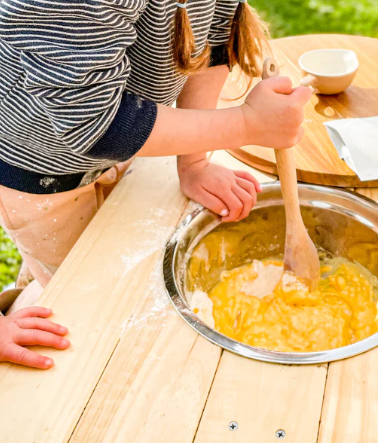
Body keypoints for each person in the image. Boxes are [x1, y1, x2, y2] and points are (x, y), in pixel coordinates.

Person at [0, 0, 311, 369]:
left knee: (87, 277)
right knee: (83, 304)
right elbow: (94, 121)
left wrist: (194, 161)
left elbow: (211, 38)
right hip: (41, 177)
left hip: (124, 141)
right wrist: (247, 124)